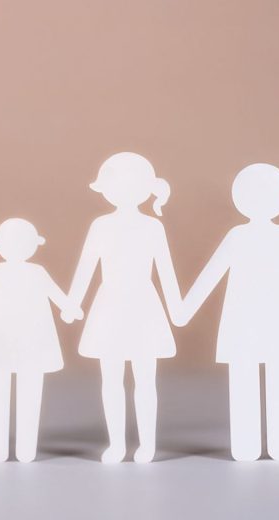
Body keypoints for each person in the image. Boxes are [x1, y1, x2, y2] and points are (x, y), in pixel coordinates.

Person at [177, 163, 279, 461]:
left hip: (272, 320)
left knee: (276, 378)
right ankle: (250, 444)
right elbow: (213, 272)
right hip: (249, 321)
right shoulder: (240, 236)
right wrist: (186, 308)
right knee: (249, 378)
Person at [67, 152, 184, 463]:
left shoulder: (152, 228)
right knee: (112, 379)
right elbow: (86, 267)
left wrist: (177, 307)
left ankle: (147, 445)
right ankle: (117, 444)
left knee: (145, 379)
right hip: (111, 306)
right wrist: (72, 301)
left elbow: (166, 271)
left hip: (143, 306)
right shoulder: (100, 226)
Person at [0, 218, 82, 463]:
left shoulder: (34, 272)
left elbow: (54, 293)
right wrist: (70, 308)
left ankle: (25, 449)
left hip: (31, 342)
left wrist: (70, 307)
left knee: (28, 393)